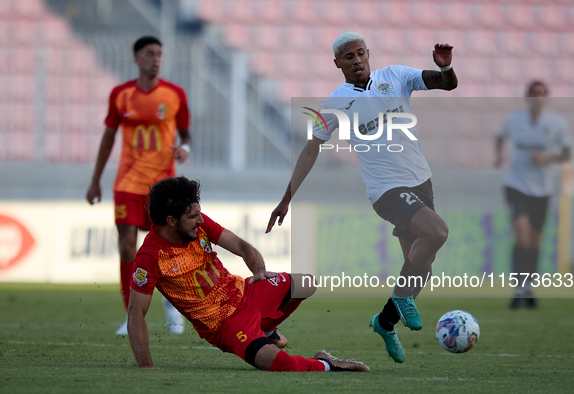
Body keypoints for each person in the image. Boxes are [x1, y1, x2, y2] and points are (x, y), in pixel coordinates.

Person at [266, 32, 457, 364]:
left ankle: (384, 323)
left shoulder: (395, 76)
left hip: (420, 182)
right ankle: (401, 299)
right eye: (348, 57)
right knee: (437, 232)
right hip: (386, 191)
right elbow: (310, 152)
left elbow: (446, 83)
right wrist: (286, 198)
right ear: (337, 63)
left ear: (368, 53)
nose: (356, 61)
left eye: (360, 54)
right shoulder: (334, 103)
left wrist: (448, 67)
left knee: (422, 266)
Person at [127, 176, 369, 372]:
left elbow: (243, 247)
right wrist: (146, 365)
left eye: (199, 213)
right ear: (170, 221)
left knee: (306, 283)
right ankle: (326, 363)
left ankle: (266, 330)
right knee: (278, 363)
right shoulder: (149, 257)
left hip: (244, 292)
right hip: (226, 324)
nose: (200, 220)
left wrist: (259, 272)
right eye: (192, 217)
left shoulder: (199, 225)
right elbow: (136, 313)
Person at [86, 36, 192, 335]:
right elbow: (108, 140)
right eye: (149, 54)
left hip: (164, 187)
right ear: (136, 58)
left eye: (159, 54)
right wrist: (95, 181)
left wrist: (186, 150)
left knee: (169, 249)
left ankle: (173, 308)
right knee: (127, 248)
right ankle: (132, 315)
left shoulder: (175, 94)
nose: (155, 59)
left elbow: (186, 135)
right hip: (128, 184)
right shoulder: (121, 95)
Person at [495, 80, 571, 309]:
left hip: (543, 189)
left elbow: (566, 154)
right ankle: (518, 288)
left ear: (546, 97)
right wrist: (499, 156)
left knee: (535, 242)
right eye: (533, 93)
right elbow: (499, 137)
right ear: (527, 96)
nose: (537, 97)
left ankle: (528, 286)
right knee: (522, 236)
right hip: (516, 185)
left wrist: (548, 158)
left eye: (541, 93)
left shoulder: (557, 123)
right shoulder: (514, 119)